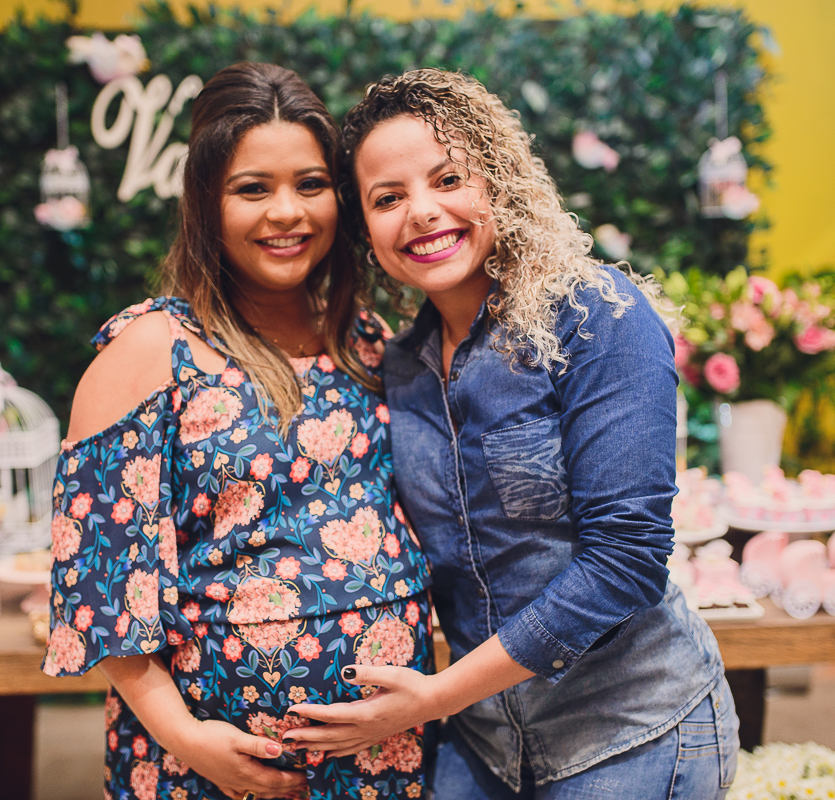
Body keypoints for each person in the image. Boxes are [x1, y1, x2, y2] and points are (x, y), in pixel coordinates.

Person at [286, 69, 739, 799]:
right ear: (365, 227)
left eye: (448, 179)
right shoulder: (397, 365)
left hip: (630, 731)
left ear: (499, 179)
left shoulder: (599, 317)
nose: (422, 214)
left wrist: (434, 696)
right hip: (486, 741)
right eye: (388, 198)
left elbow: (625, 562)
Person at [42, 62, 435, 800]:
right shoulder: (150, 350)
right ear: (205, 202)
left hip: (390, 759)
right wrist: (185, 739)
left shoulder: (372, 343)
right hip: (214, 766)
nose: (287, 212)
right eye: (253, 188)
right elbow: (97, 586)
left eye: (311, 185)